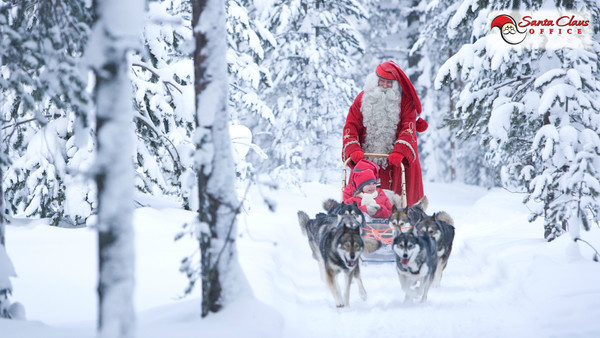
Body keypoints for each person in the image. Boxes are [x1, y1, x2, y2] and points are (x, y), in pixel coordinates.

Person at [342, 60, 428, 207]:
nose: (385, 86)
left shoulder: (405, 103)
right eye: (382, 82)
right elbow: (351, 126)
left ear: (396, 85)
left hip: (394, 163)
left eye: (390, 83)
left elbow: (409, 128)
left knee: (397, 202)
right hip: (366, 160)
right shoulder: (362, 99)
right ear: (374, 81)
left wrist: (400, 152)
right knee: (359, 200)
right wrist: (353, 149)